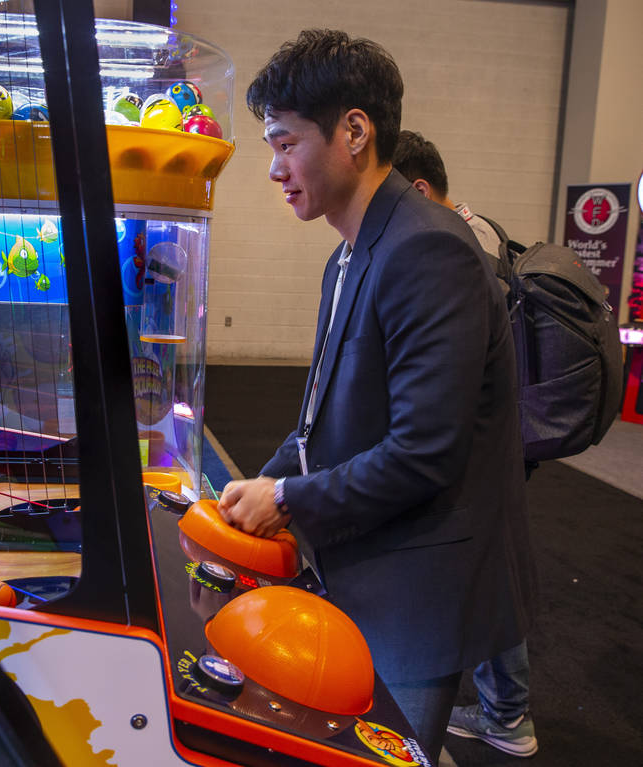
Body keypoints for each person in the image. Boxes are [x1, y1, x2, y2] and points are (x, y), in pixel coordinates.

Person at [219, 30, 535, 761]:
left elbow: (425, 452)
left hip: (419, 591)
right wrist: (262, 483)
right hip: (361, 562)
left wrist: (286, 500)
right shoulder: (347, 254)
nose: (274, 168)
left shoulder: (429, 249)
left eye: (286, 143)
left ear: (354, 132)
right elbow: (324, 417)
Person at [393, 130, 538, 758]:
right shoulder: (479, 231)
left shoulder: (452, 245)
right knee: (488, 567)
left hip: (482, 435)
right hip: (496, 426)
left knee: (485, 570)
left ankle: (507, 715)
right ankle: (506, 711)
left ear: (420, 190)